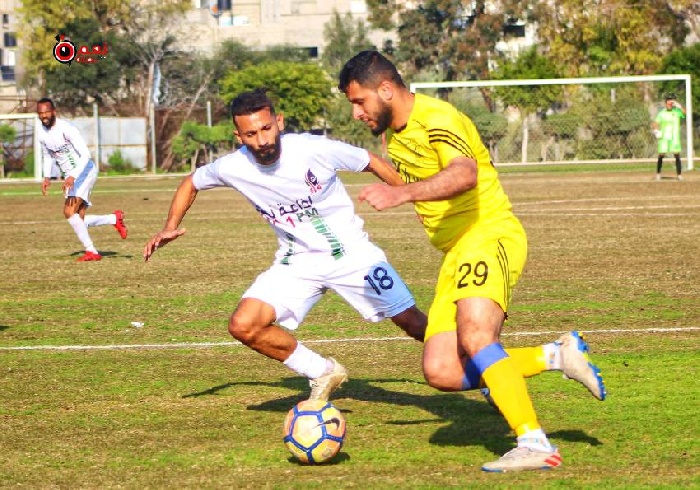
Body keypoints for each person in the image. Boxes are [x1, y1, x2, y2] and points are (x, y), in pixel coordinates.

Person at [338, 50, 606, 473]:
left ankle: (533, 441)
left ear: (386, 90)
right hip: (456, 253)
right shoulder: (397, 134)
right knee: (442, 369)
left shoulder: (437, 118)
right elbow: (413, 174)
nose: (356, 112)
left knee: (477, 336)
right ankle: (554, 356)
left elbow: (465, 174)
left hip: (487, 233)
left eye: (359, 101)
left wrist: (400, 195)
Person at [143, 88, 427, 402]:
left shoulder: (312, 149)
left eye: (266, 128)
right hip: (297, 262)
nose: (262, 140)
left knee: (413, 323)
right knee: (244, 325)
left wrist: (415, 197)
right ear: (239, 136)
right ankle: (322, 371)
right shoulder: (233, 166)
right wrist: (170, 226)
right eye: (251, 134)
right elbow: (191, 181)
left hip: (352, 254)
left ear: (279, 122)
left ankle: (484, 368)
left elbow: (370, 160)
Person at [38, 98, 128, 261]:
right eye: (41, 113)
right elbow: (47, 155)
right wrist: (46, 177)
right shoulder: (42, 134)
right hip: (71, 177)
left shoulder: (67, 129)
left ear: (54, 112)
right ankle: (114, 219)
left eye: (46, 112)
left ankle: (91, 251)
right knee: (78, 219)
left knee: (69, 212)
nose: (44, 116)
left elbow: (86, 155)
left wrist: (72, 176)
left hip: (84, 172)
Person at [652, 95, 686, 181]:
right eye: (668, 103)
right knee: (661, 154)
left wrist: (679, 106)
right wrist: (656, 131)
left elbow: (685, 113)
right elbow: (655, 123)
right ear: (665, 104)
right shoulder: (662, 113)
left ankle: (679, 175)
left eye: (671, 103)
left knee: (676, 154)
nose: (669, 105)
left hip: (674, 137)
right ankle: (658, 173)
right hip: (664, 137)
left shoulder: (677, 111)